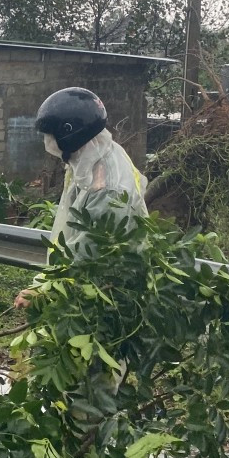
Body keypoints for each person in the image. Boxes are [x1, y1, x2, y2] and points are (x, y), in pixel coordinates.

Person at [15, 87, 147, 307]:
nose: (48, 142)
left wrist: (42, 288)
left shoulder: (105, 187)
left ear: (70, 135)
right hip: (96, 284)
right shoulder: (97, 156)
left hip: (110, 292)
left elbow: (87, 253)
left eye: (51, 136)